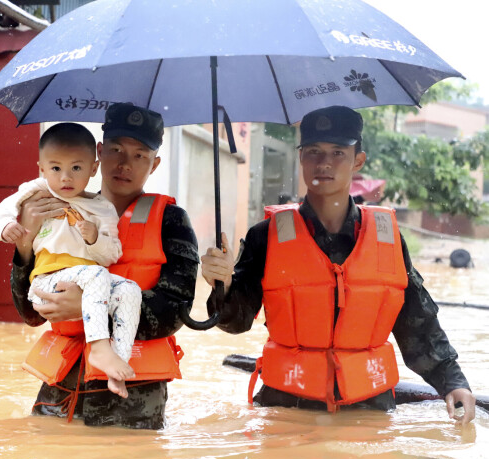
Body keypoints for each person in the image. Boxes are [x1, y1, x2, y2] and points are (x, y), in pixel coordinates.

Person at [201, 105, 476, 424]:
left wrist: (452, 382)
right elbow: (235, 322)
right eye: (314, 151)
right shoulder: (266, 237)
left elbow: (416, 321)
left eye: (338, 152)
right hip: (285, 411)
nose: (325, 163)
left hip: (368, 410)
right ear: (301, 157)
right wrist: (223, 284)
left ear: (358, 160)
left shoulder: (387, 238)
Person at [9, 103, 199, 429]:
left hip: (131, 402)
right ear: (99, 153)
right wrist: (23, 243)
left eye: (139, 155)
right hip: (60, 394)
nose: (125, 164)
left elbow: (175, 310)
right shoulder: (59, 209)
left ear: (155, 164)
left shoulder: (172, 221)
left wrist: (87, 306)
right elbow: (28, 313)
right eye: (116, 150)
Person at [0, 122, 141, 398]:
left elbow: (111, 254)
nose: (65, 177)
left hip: (88, 282)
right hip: (47, 284)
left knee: (130, 290)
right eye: (56, 168)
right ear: (42, 169)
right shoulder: (35, 192)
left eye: (77, 168)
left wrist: (94, 238)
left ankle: (116, 366)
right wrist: (6, 227)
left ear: (93, 169)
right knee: (97, 276)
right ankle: (100, 347)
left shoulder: (101, 208)